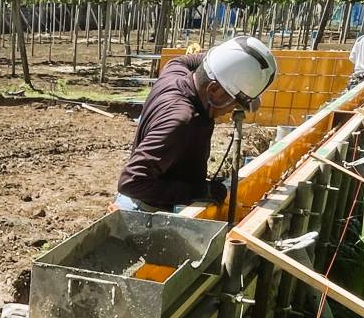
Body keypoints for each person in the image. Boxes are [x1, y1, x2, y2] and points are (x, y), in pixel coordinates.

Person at [115, 35, 279, 213]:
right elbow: (131, 182)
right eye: (235, 102)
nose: (233, 110)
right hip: (145, 212)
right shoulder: (181, 122)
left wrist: (231, 67)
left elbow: (192, 61)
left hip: (145, 203)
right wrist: (199, 191)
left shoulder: (175, 72)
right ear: (214, 90)